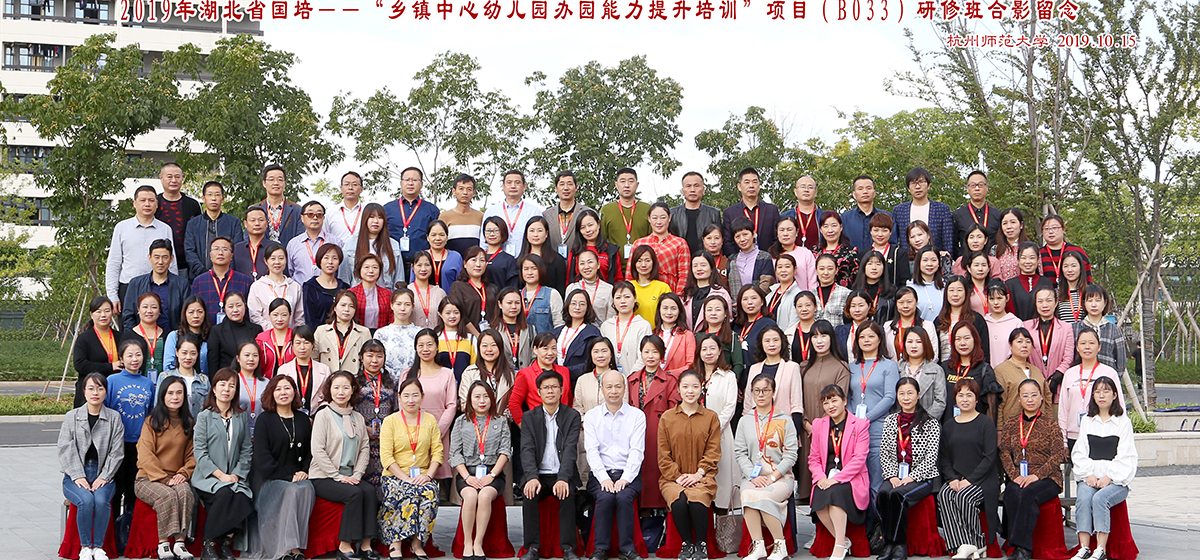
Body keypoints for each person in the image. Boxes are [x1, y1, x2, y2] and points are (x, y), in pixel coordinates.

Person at [309, 371, 380, 560]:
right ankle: (345, 546)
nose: (340, 392)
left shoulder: (357, 417)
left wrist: (357, 474)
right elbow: (318, 450)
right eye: (336, 387)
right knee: (354, 494)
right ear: (329, 390)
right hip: (324, 476)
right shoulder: (323, 415)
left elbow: (364, 448)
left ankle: (366, 545)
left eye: (345, 387)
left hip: (349, 475)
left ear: (353, 390)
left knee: (369, 491)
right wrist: (338, 476)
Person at [1069, 377, 1138, 560]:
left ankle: (1100, 549)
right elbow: (1080, 451)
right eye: (1097, 391)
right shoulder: (1087, 421)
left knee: (1100, 499)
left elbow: (1126, 456)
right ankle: (1084, 548)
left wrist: (1109, 477)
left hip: (1116, 481)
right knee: (1084, 498)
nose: (1101, 395)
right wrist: (1088, 474)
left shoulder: (1123, 422)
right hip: (1090, 477)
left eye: (1106, 391)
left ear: (1114, 395)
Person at [999, 379, 1067, 560]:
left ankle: (1023, 549)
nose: (1030, 399)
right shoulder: (1012, 423)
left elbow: (1057, 455)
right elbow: (1004, 452)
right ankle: (1014, 544)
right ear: (1019, 399)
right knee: (1012, 492)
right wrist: (1014, 476)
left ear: (1041, 398)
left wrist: (1037, 475)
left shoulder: (1051, 424)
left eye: (1034, 395)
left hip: (1047, 477)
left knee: (1028, 493)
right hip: (1020, 476)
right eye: (1025, 395)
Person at [58, 372, 124, 560]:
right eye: (91, 388)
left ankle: (99, 547)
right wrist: (78, 475)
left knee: (101, 501)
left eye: (100, 388)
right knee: (86, 500)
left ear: (106, 392)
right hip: (75, 475)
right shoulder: (72, 417)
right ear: (84, 391)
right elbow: (65, 448)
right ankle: (86, 547)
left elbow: (117, 452)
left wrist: (104, 476)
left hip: (104, 473)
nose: (95, 393)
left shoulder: (114, 418)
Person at [518, 371, 583, 560]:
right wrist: (531, 477)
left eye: (554, 387)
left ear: (562, 390)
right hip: (538, 474)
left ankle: (568, 548)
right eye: (545, 387)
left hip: (562, 473)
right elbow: (527, 450)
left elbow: (570, 449)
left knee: (567, 494)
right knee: (529, 494)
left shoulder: (572, 416)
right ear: (539, 392)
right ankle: (532, 547)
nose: (550, 391)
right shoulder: (529, 417)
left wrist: (563, 478)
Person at [657, 369, 721, 560]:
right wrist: (678, 477)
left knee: (697, 499)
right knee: (679, 501)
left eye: (695, 386)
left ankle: (701, 543)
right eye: (685, 386)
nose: (690, 391)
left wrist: (698, 474)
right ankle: (687, 543)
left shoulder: (710, 417)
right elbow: (663, 455)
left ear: (701, 389)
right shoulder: (667, 417)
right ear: (678, 389)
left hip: (703, 476)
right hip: (672, 478)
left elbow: (713, 451)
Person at [583, 369, 647, 560]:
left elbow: (637, 451)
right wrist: (604, 478)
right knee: (605, 497)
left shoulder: (637, 416)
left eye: (618, 386)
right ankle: (600, 549)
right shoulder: (592, 416)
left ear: (624, 388)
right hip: (600, 474)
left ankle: (627, 549)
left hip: (628, 473)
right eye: (609, 386)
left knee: (624, 497)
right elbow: (592, 451)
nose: (613, 391)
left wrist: (625, 478)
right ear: (601, 389)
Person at [876, 378, 942, 560]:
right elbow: (885, 452)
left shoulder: (930, 423)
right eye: (902, 393)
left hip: (921, 477)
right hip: (896, 474)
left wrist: (911, 477)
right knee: (883, 494)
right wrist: (892, 476)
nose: (906, 398)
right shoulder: (891, 421)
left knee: (898, 495)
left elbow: (931, 457)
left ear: (918, 395)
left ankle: (899, 544)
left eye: (910, 393)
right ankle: (888, 543)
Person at [735, 374, 799, 560]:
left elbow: (791, 454)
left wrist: (773, 477)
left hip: (780, 477)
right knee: (747, 494)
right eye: (756, 391)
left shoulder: (785, 420)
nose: (761, 394)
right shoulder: (745, 421)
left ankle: (780, 545)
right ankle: (758, 546)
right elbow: (740, 453)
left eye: (765, 390)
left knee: (763, 496)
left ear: (773, 392)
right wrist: (753, 476)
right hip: (753, 476)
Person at [192, 368, 254, 559]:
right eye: (222, 384)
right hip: (209, 478)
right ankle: (209, 545)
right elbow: (200, 452)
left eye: (232, 385)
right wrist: (221, 475)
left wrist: (236, 474)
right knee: (225, 493)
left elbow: (246, 450)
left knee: (242, 498)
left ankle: (225, 544)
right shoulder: (204, 416)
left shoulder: (241, 416)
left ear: (236, 391)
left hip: (235, 477)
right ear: (214, 388)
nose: (227, 389)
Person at [133, 375, 196, 560]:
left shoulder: (188, 423)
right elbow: (145, 455)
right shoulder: (151, 422)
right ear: (162, 395)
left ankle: (180, 543)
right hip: (147, 478)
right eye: (170, 393)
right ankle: (163, 544)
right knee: (167, 495)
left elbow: (192, 455)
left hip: (175, 476)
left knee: (185, 492)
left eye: (179, 393)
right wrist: (163, 479)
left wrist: (184, 473)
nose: (175, 397)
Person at [379, 378, 443, 560]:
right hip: (394, 475)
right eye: (406, 396)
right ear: (399, 397)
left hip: (422, 475)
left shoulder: (430, 420)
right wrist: (405, 478)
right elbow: (386, 457)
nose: (411, 400)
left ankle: (417, 543)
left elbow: (437, 452)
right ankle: (395, 543)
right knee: (407, 492)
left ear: (422, 396)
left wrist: (428, 476)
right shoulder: (390, 421)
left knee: (429, 492)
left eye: (415, 395)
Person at [937, 379, 1000, 560]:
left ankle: (978, 543)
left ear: (976, 399)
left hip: (983, 479)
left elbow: (989, 457)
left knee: (964, 497)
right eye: (961, 395)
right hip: (957, 477)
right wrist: (952, 479)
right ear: (955, 398)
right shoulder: (949, 425)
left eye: (969, 395)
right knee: (944, 495)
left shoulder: (986, 423)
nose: (965, 399)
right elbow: (944, 457)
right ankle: (961, 544)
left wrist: (970, 480)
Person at [450, 381, 512, 560]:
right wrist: (467, 477)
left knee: (484, 496)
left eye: (486, 396)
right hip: (467, 474)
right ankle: (467, 542)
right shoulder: (461, 422)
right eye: (477, 396)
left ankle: (478, 542)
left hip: (493, 475)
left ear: (492, 398)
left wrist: (491, 475)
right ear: (470, 399)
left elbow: (505, 452)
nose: (482, 401)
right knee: (470, 496)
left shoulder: (500, 421)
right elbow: (455, 453)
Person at [797, 321, 851, 498]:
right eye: (814, 336)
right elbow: (797, 398)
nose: (819, 340)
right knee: (807, 471)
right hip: (807, 428)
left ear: (831, 338)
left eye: (823, 335)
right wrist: (806, 423)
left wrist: (820, 426)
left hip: (831, 428)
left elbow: (839, 400)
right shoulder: (803, 367)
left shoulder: (841, 367)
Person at [626, 335, 680, 509]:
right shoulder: (632, 379)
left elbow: (673, 413)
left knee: (655, 471)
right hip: (635, 433)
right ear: (641, 354)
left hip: (657, 434)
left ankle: (656, 511)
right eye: (646, 351)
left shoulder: (670, 381)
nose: (650, 356)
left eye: (655, 352)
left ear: (662, 355)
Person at [847, 321, 899, 492]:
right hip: (855, 429)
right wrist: (853, 419)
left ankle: (876, 510)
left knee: (876, 480)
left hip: (878, 429)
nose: (866, 340)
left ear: (879, 339)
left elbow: (890, 397)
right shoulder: (851, 367)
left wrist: (867, 418)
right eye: (862, 337)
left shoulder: (889, 366)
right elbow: (847, 397)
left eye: (871, 336)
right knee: (857, 481)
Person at [106, 185, 178, 310]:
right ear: (134, 203)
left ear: (157, 204)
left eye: (151, 200)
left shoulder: (165, 229)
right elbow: (114, 263)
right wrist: (113, 296)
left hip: (158, 286)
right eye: (143, 200)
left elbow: (171, 262)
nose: (147, 204)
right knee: (128, 321)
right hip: (128, 287)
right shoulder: (122, 228)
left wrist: (173, 289)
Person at [1060, 328, 1126, 451]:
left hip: (1102, 434)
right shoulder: (1069, 374)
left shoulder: (1109, 372)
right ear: (1077, 347)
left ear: (1099, 347)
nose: (1087, 347)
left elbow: (1120, 404)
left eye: (1091, 343)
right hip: (1074, 435)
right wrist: (1063, 440)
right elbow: (1064, 409)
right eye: (1083, 343)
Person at [404, 331, 457, 483]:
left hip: (440, 430)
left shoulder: (447, 374)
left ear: (437, 347)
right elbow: (402, 404)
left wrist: (436, 432)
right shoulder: (407, 374)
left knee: (438, 469)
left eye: (429, 344)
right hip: (412, 433)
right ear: (415, 348)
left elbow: (452, 405)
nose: (425, 349)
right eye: (421, 345)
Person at [694, 334, 739, 510]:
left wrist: (712, 428)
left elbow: (730, 407)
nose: (708, 352)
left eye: (712, 348)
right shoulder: (694, 376)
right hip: (695, 435)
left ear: (720, 351)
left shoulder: (728, 376)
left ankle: (722, 519)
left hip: (721, 433)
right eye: (704, 349)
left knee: (722, 482)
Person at [356, 340, 402, 492]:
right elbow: (349, 411)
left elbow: (397, 410)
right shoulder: (354, 381)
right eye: (370, 355)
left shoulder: (392, 381)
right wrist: (364, 428)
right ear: (362, 357)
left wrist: (388, 431)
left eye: (379, 356)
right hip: (361, 438)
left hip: (386, 439)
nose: (374, 360)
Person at [742, 325, 803, 437]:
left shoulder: (792, 367)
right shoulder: (754, 369)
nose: (771, 344)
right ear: (761, 343)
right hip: (757, 430)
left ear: (782, 342)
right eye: (767, 341)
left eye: (775, 340)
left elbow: (796, 404)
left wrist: (794, 434)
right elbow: (748, 404)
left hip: (783, 430)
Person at [121, 239, 191, 334]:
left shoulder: (182, 284)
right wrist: (134, 338)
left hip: (172, 337)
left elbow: (186, 316)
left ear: (171, 258)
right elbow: (128, 316)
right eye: (156, 257)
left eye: (165, 257)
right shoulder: (136, 284)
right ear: (149, 258)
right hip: (141, 337)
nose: (160, 262)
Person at [942, 322, 1003, 423]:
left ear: (975, 339)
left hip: (976, 427)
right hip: (949, 426)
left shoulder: (984, 369)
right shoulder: (945, 368)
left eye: (967, 338)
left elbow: (991, 407)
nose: (962, 343)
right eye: (958, 339)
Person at [184, 181, 247, 278]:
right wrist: (202, 272)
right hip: (199, 277)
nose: (213, 198)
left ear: (223, 198)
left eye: (217, 195)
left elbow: (237, 250)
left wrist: (225, 272)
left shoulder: (233, 222)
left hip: (228, 277)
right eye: (210, 194)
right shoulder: (193, 224)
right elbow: (189, 251)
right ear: (203, 198)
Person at [994, 328, 1054, 428]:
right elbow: (998, 404)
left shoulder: (1036, 371)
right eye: (1019, 341)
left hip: (1039, 427)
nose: (1024, 345)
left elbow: (1047, 398)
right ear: (1010, 345)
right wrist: (999, 428)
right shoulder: (1001, 371)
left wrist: (1049, 424)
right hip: (1013, 428)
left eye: (1028, 342)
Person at [510, 333, 574, 425]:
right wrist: (524, 426)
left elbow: (569, 398)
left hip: (563, 424)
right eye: (545, 348)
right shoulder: (525, 374)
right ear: (535, 350)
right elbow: (514, 403)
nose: (550, 353)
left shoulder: (564, 371)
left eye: (554, 348)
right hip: (538, 425)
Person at [384, 166, 441, 267]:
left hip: (422, 265)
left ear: (421, 184)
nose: (410, 183)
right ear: (401, 183)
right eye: (407, 180)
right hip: (393, 262)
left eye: (415, 180)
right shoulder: (387, 209)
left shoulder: (432, 210)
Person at [1025, 285, 1076, 397]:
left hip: (1059, 386)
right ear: (1035, 304)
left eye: (1049, 300)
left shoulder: (1066, 328)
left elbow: (1068, 358)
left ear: (1056, 302)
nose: (1045, 305)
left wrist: (1056, 377)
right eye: (1040, 301)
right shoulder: (1026, 326)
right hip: (1032, 388)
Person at [191, 237, 254, 325]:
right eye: (216, 249)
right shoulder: (199, 281)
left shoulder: (244, 280)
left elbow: (250, 311)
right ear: (210, 254)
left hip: (237, 330)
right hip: (207, 330)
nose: (220, 253)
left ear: (231, 255)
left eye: (225, 249)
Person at [480, 170, 544, 257]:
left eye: (517, 182)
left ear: (524, 186)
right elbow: (484, 241)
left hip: (526, 259)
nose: (513, 186)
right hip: (498, 259)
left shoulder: (534, 211)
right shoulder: (492, 211)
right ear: (503, 186)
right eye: (509, 182)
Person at [629, 202, 690, 293]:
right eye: (654, 218)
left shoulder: (680, 243)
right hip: (642, 293)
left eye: (663, 217)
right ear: (649, 219)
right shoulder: (639, 243)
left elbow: (684, 273)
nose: (659, 222)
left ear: (669, 218)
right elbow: (630, 273)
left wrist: (679, 295)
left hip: (670, 293)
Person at [73, 297, 123, 407]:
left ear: (112, 312)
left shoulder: (120, 337)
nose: (103, 315)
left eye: (107, 311)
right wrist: (110, 367)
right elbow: (80, 364)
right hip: (93, 392)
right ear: (91, 315)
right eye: (98, 311)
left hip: (115, 390)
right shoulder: (84, 338)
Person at [343, 203, 406, 290]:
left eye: (380, 217)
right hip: (357, 295)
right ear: (365, 219)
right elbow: (344, 278)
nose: (376, 221)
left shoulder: (393, 245)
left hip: (386, 295)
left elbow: (399, 278)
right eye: (371, 217)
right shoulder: (350, 245)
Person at [892, 168, 954, 256]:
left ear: (928, 185)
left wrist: (946, 258)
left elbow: (948, 241)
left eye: (921, 182)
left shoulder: (942, 209)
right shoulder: (899, 211)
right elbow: (894, 240)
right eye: (913, 183)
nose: (917, 187)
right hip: (908, 260)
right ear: (908, 188)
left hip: (935, 260)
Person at [721, 167, 780, 255]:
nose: (751, 185)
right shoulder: (730, 213)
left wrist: (770, 257)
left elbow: (777, 238)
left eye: (755, 182)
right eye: (747, 182)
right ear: (739, 186)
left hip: (768, 258)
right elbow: (727, 242)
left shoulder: (772, 210)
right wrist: (737, 259)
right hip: (740, 260)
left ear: (759, 185)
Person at [247, 242, 305, 330]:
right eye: (273, 258)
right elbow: (255, 317)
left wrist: (292, 333)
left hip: (290, 336)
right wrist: (275, 332)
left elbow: (299, 317)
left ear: (286, 260)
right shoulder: (257, 287)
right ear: (266, 261)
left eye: (281, 258)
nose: (277, 262)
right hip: (266, 335)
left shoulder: (295, 286)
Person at [601, 281, 654, 376]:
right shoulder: (606, 326)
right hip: (610, 380)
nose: (622, 301)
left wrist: (630, 378)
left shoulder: (643, 325)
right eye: (618, 297)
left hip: (635, 378)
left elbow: (644, 357)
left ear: (635, 298)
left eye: (627, 297)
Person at [1076, 285, 1129, 379]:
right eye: (1090, 300)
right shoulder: (1075, 328)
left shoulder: (1114, 330)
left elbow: (1121, 361)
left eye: (1098, 300)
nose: (1094, 304)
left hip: (1107, 381)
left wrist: (1113, 379)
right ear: (1084, 303)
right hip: (1081, 380)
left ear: (1105, 303)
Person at [896, 325, 948, 420]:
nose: (914, 346)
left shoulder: (936, 370)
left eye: (919, 342)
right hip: (900, 423)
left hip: (927, 423)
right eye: (910, 341)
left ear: (925, 344)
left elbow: (940, 402)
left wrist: (924, 421)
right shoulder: (896, 368)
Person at [599, 167, 651, 261]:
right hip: (615, 265)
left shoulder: (647, 209)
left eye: (631, 181)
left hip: (641, 265)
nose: (626, 185)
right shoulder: (607, 210)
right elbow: (602, 241)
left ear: (637, 185)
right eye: (622, 181)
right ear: (616, 185)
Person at [315, 290, 373, 374]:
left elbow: (367, 361)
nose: (347, 309)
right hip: (328, 378)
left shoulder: (364, 332)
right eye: (343, 305)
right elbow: (314, 359)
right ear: (335, 308)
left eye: (351, 306)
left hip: (353, 378)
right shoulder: (321, 331)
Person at [206, 291, 262, 376]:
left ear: (245, 306)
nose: (235, 310)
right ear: (224, 309)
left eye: (239, 305)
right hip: (227, 379)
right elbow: (213, 362)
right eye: (230, 306)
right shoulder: (217, 331)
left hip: (251, 378)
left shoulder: (256, 329)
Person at [288, 200, 344, 285]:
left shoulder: (336, 242)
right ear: (302, 218)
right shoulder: (293, 244)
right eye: (310, 214)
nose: (315, 218)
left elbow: (341, 270)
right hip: (300, 291)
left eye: (319, 214)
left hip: (327, 291)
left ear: (323, 218)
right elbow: (290, 271)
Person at [935, 277, 991, 360]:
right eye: (951, 290)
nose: (955, 294)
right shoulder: (939, 321)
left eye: (959, 290)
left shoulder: (976, 319)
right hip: (945, 367)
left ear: (966, 293)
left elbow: (984, 351)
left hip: (971, 367)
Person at [279, 325, 331, 414]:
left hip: (317, 416)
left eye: (306, 343)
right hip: (291, 415)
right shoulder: (284, 370)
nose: (302, 347)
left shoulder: (324, 369)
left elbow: (327, 397)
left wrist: (315, 417)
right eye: (298, 343)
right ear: (292, 345)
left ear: (312, 344)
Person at [667, 172, 720, 255]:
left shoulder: (713, 213)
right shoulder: (672, 214)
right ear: (683, 191)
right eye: (688, 186)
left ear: (703, 190)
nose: (692, 190)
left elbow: (719, 240)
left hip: (705, 259)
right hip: (679, 259)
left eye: (696, 186)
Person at [952, 171, 1002, 259]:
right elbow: (954, 243)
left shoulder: (998, 215)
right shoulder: (958, 215)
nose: (977, 188)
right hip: (967, 262)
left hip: (992, 262)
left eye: (981, 185)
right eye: (973, 185)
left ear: (987, 187)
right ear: (967, 188)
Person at [376, 289, 423, 384]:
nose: (402, 308)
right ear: (391, 305)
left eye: (407, 304)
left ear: (413, 307)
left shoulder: (419, 332)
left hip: (414, 382)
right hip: (387, 383)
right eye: (398, 304)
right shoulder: (381, 333)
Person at [449, 247, 498, 337]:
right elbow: (460, 314)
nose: (478, 264)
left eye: (482, 260)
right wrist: (478, 336)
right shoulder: (458, 287)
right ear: (465, 264)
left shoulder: (492, 288)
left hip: (491, 338)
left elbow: (497, 314)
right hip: (467, 337)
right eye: (474, 260)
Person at [695, 295, 744, 384]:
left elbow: (738, 364)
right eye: (709, 310)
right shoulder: (697, 336)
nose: (713, 313)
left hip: (724, 382)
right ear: (704, 313)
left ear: (725, 313)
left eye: (718, 310)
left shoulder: (731, 336)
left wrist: (731, 383)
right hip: (701, 382)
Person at [557, 289, 603, 384]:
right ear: (567, 306)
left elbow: (590, 363)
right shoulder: (556, 332)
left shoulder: (592, 333)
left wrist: (564, 372)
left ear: (587, 308)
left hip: (579, 382)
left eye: (582, 304)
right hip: (554, 382)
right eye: (573, 303)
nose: (577, 307)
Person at [159, 333, 210, 418]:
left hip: (198, 425)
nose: (188, 357)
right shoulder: (165, 377)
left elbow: (209, 410)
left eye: (193, 353)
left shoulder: (204, 380)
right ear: (177, 352)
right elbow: (158, 406)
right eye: (184, 353)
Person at [840, 175, 895, 251]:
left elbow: (893, 243)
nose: (865, 192)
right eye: (860, 189)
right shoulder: (845, 218)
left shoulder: (888, 217)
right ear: (854, 194)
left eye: (868, 188)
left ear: (874, 193)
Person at [885, 286, 939, 364]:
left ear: (916, 302)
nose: (905, 306)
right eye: (901, 302)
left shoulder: (928, 326)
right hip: (894, 369)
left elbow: (933, 355)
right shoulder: (887, 326)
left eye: (909, 302)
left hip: (922, 369)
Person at [567, 209, 622, 285]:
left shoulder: (612, 250)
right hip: (581, 291)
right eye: (582, 227)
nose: (587, 230)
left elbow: (619, 278)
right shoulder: (575, 251)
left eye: (590, 225)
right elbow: (569, 279)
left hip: (606, 291)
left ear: (598, 225)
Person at [303, 244, 351, 329]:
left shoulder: (345, 287)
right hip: (319, 334)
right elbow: (310, 319)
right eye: (326, 258)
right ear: (319, 261)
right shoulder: (310, 287)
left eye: (335, 258)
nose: (330, 262)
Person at [122, 293, 167, 382]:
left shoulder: (167, 335)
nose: (149, 311)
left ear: (159, 311)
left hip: (163, 384)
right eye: (145, 307)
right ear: (138, 309)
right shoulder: (127, 336)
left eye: (154, 307)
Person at [543, 171, 591, 256]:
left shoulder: (587, 213)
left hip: (579, 260)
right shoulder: (546, 215)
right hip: (552, 262)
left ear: (576, 187)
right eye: (562, 184)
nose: (566, 188)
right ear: (556, 188)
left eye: (569, 184)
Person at [254, 164, 304, 244]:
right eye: (271, 179)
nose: (276, 183)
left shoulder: (297, 210)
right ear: (264, 183)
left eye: (280, 180)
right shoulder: (254, 209)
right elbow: (248, 238)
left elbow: (301, 238)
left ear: (284, 183)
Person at [681, 252, 731, 332]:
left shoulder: (721, 293)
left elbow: (728, 319)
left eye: (703, 265)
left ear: (711, 268)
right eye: (695, 266)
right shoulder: (686, 294)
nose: (699, 269)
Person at [163, 297, 210, 379]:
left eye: (200, 312)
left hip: (203, 383)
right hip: (178, 382)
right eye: (191, 312)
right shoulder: (174, 336)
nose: (196, 316)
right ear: (184, 314)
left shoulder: (211, 336)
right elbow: (168, 366)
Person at [735, 285, 778, 377]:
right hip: (737, 379)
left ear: (762, 301)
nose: (750, 302)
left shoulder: (768, 324)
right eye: (745, 299)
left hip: (760, 377)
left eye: (754, 298)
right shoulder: (735, 326)